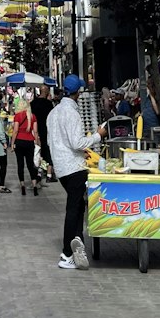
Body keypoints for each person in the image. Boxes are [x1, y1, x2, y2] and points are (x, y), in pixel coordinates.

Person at [49, 74, 106, 269]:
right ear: (78, 93)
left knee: (79, 206)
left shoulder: (53, 113)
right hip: (74, 167)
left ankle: (77, 245)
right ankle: (66, 254)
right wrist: (98, 136)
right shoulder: (71, 113)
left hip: (61, 167)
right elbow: (77, 143)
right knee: (73, 208)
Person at [12, 92, 41, 195]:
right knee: (30, 165)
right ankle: (34, 186)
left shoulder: (18, 116)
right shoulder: (33, 116)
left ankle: (22, 185)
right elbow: (36, 132)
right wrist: (37, 143)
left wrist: (12, 144)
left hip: (19, 142)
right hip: (30, 142)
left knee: (20, 165)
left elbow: (15, 131)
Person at [31, 86, 55, 182]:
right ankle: (49, 175)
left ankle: (39, 173)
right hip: (47, 131)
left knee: (38, 152)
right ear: (47, 92)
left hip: (35, 131)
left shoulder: (33, 103)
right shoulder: (48, 104)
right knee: (48, 152)